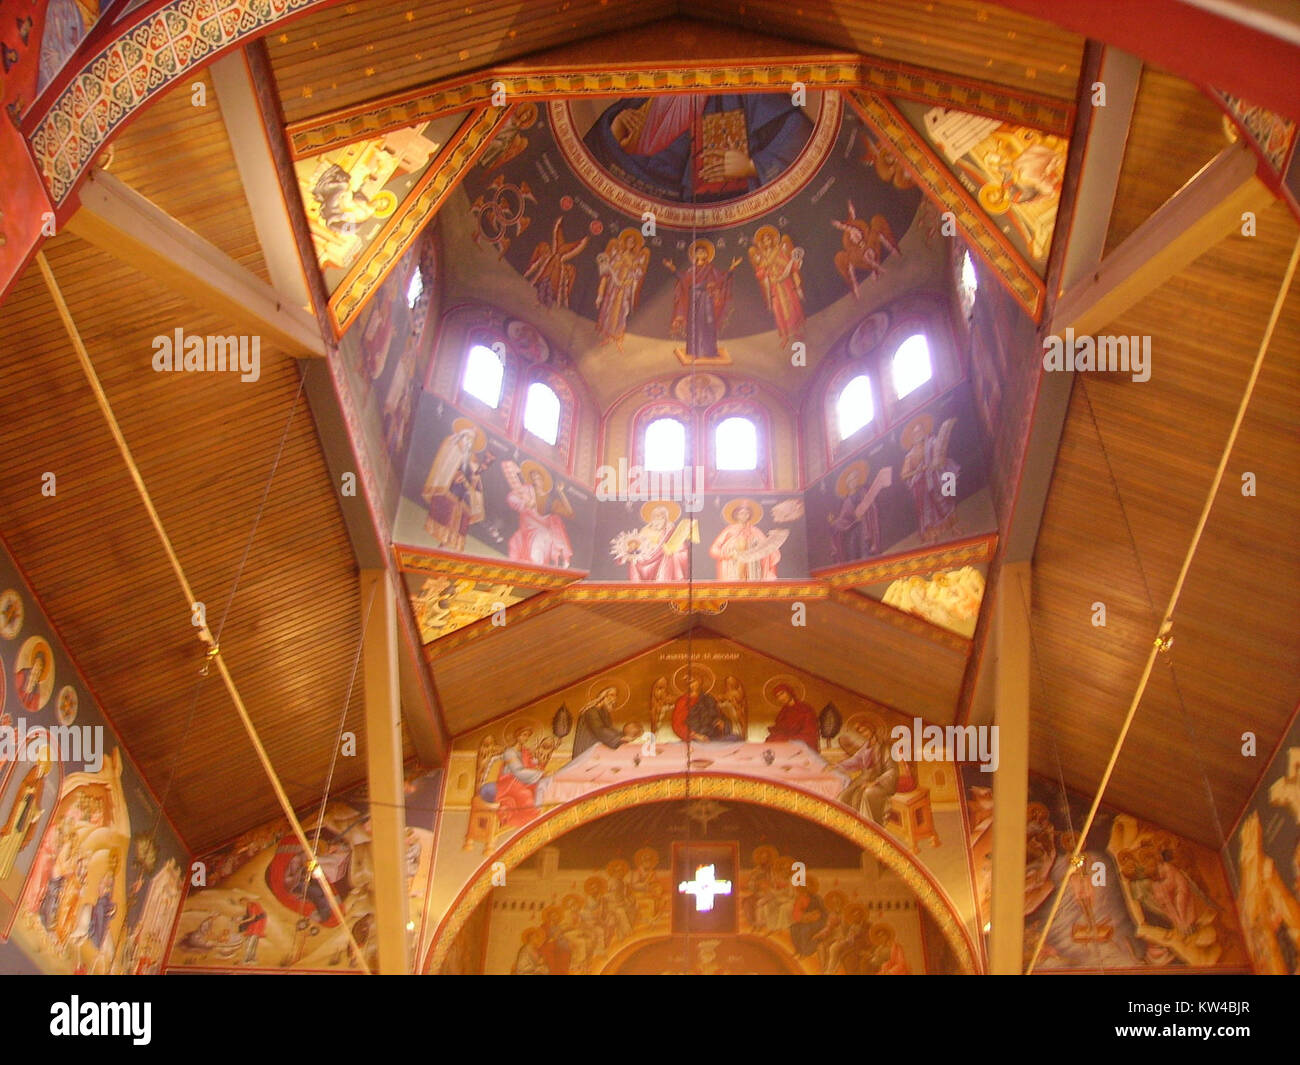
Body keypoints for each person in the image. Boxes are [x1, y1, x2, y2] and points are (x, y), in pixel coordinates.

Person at [582, 93, 814, 203]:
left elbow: (799, 134)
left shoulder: (745, 89)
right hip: (654, 209)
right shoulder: (654, 93)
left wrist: (753, 167)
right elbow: (596, 159)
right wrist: (613, 132)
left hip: (715, 206)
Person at [665, 240, 741, 360]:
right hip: (694, 298)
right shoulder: (692, 270)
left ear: (707, 255)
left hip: (706, 298)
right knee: (695, 323)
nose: (701, 253)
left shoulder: (710, 269)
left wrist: (731, 268)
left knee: (708, 322)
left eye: (703, 252)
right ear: (694, 255)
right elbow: (684, 279)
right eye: (698, 252)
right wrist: (673, 268)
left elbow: (721, 279)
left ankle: (709, 350)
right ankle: (695, 351)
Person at [481, 723, 554, 827]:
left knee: (539, 790)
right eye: (524, 735)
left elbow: (532, 767)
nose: (526, 738)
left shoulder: (526, 752)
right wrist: (541, 774)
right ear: (517, 736)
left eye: (528, 736)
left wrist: (541, 766)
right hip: (508, 783)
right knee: (526, 797)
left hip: (522, 782)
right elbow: (518, 771)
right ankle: (523, 823)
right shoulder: (509, 752)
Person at [504, 461, 574, 568]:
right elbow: (511, 498)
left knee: (546, 533)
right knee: (519, 542)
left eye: (538, 477)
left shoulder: (550, 500)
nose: (536, 479)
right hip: (527, 529)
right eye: (533, 477)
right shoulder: (527, 490)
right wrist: (525, 504)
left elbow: (569, 513)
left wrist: (561, 492)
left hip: (543, 532)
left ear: (543, 480)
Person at [747, 225, 805, 344]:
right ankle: (784, 336)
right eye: (764, 240)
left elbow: (787, 263)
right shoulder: (762, 256)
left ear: (772, 240)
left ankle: (796, 331)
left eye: (768, 239)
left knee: (791, 306)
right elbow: (760, 273)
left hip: (785, 283)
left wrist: (778, 264)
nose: (767, 242)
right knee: (778, 310)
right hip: (774, 286)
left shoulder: (778, 250)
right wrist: (764, 270)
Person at [595, 228, 650, 350]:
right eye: (628, 241)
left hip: (625, 288)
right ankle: (607, 336)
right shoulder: (618, 254)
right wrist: (618, 264)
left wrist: (630, 276)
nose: (630, 244)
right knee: (609, 309)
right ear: (624, 242)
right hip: (614, 286)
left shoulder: (635, 258)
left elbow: (638, 273)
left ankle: (618, 338)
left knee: (622, 312)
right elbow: (610, 267)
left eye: (633, 242)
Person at [837, 717, 899, 823]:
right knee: (844, 796)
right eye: (860, 732)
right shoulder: (865, 747)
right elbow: (856, 761)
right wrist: (838, 765)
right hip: (865, 778)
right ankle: (848, 825)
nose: (864, 734)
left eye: (865, 730)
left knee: (866, 794)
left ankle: (869, 826)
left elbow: (892, 771)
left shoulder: (885, 747)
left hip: (882, 782)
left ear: (872, 729)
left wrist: (874, 783)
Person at [710, 500, 781, 580]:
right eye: (741, 513)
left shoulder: (755, 531)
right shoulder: (729, 531)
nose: (744, 515)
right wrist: (728, 554)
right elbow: (714, 549)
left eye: (747, 513)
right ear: (736, 515)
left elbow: (768, 549)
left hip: (753, 572)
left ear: (749, 515)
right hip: (732, 570)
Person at [828, 463, 883, 563]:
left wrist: (865, 513)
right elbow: (843, 518)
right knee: (853, 549)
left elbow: (872, 506)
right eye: (852, 479)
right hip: (853, 529)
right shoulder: (846, 501)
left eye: (856, 478)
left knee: (865, 548)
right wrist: (834, 523)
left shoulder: (863, 492)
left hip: (865, 525)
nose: (855, 481)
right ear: (848, 484)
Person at [671, 675, 741, 743]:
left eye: (694, 681)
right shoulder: (683, 701)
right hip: (694, 739)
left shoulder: (709, 699)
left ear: (700, 681)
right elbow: (677, 725)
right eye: (689, 683)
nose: (692, 685)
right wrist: (696, 736)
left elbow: (721, 716)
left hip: (714, 737)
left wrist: (723, 724)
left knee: (737, 738)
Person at [571, 687, 624, 759]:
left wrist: (622, 734)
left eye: (616, 695)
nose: (614, 698)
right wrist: (620, 738)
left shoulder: (604, 713)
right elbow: (599, 730)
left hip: (597, 748)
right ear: (603, 696)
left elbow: (609, 729)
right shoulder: (591, 711)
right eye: (612, 695)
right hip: (587, 749)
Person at [765, 682, 820, 750]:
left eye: (782, 693)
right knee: (771, 740)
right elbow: (781, 728)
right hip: (787, 740)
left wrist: (787, 736)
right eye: (778, 696)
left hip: (804, 740)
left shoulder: (805, 708)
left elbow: (809, 731)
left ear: (789, 691)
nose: (781, 698)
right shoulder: (783, 712)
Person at [238, 897, 268, 964]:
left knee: (252, 940)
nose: (243, 904)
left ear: (246, 900)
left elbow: (253, 917)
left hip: (258, 923)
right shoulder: (248, 906)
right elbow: (247, 915)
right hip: (254, 923)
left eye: (243, 902)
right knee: (252, 940)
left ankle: (247, 959)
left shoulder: (253, 905)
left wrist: (242, 922)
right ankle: (251, 958)